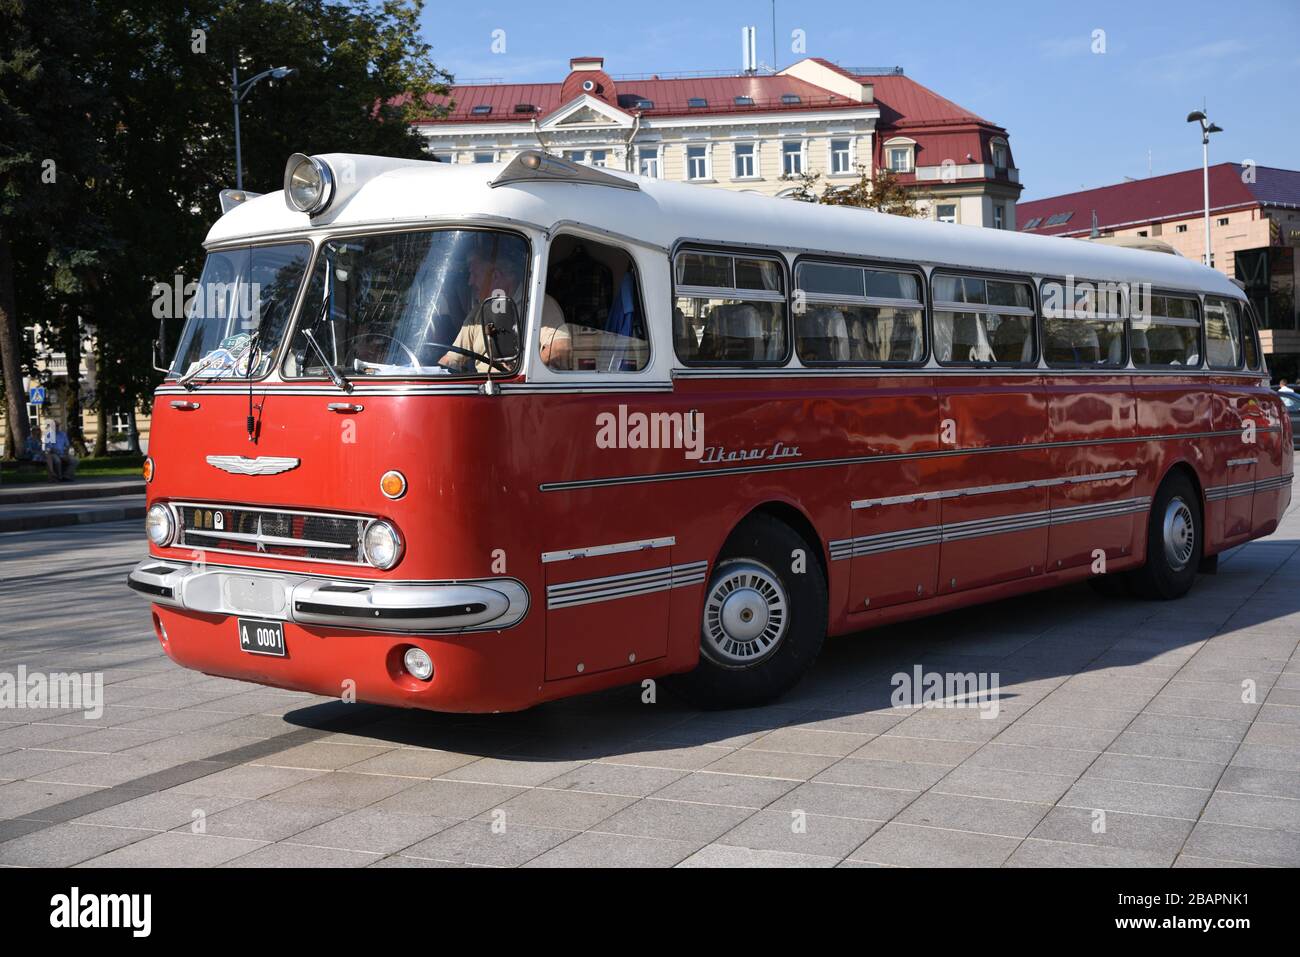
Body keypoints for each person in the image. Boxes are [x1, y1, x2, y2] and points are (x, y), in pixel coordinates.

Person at [438, 244, 526, 372]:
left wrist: (521, 367)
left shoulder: (536, 304)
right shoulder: (479, 311)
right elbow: (452, 359)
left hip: (513, 387)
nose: (470, 282)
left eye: (474, 274)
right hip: (481, 386)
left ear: (495, 276)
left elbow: (557, 350)